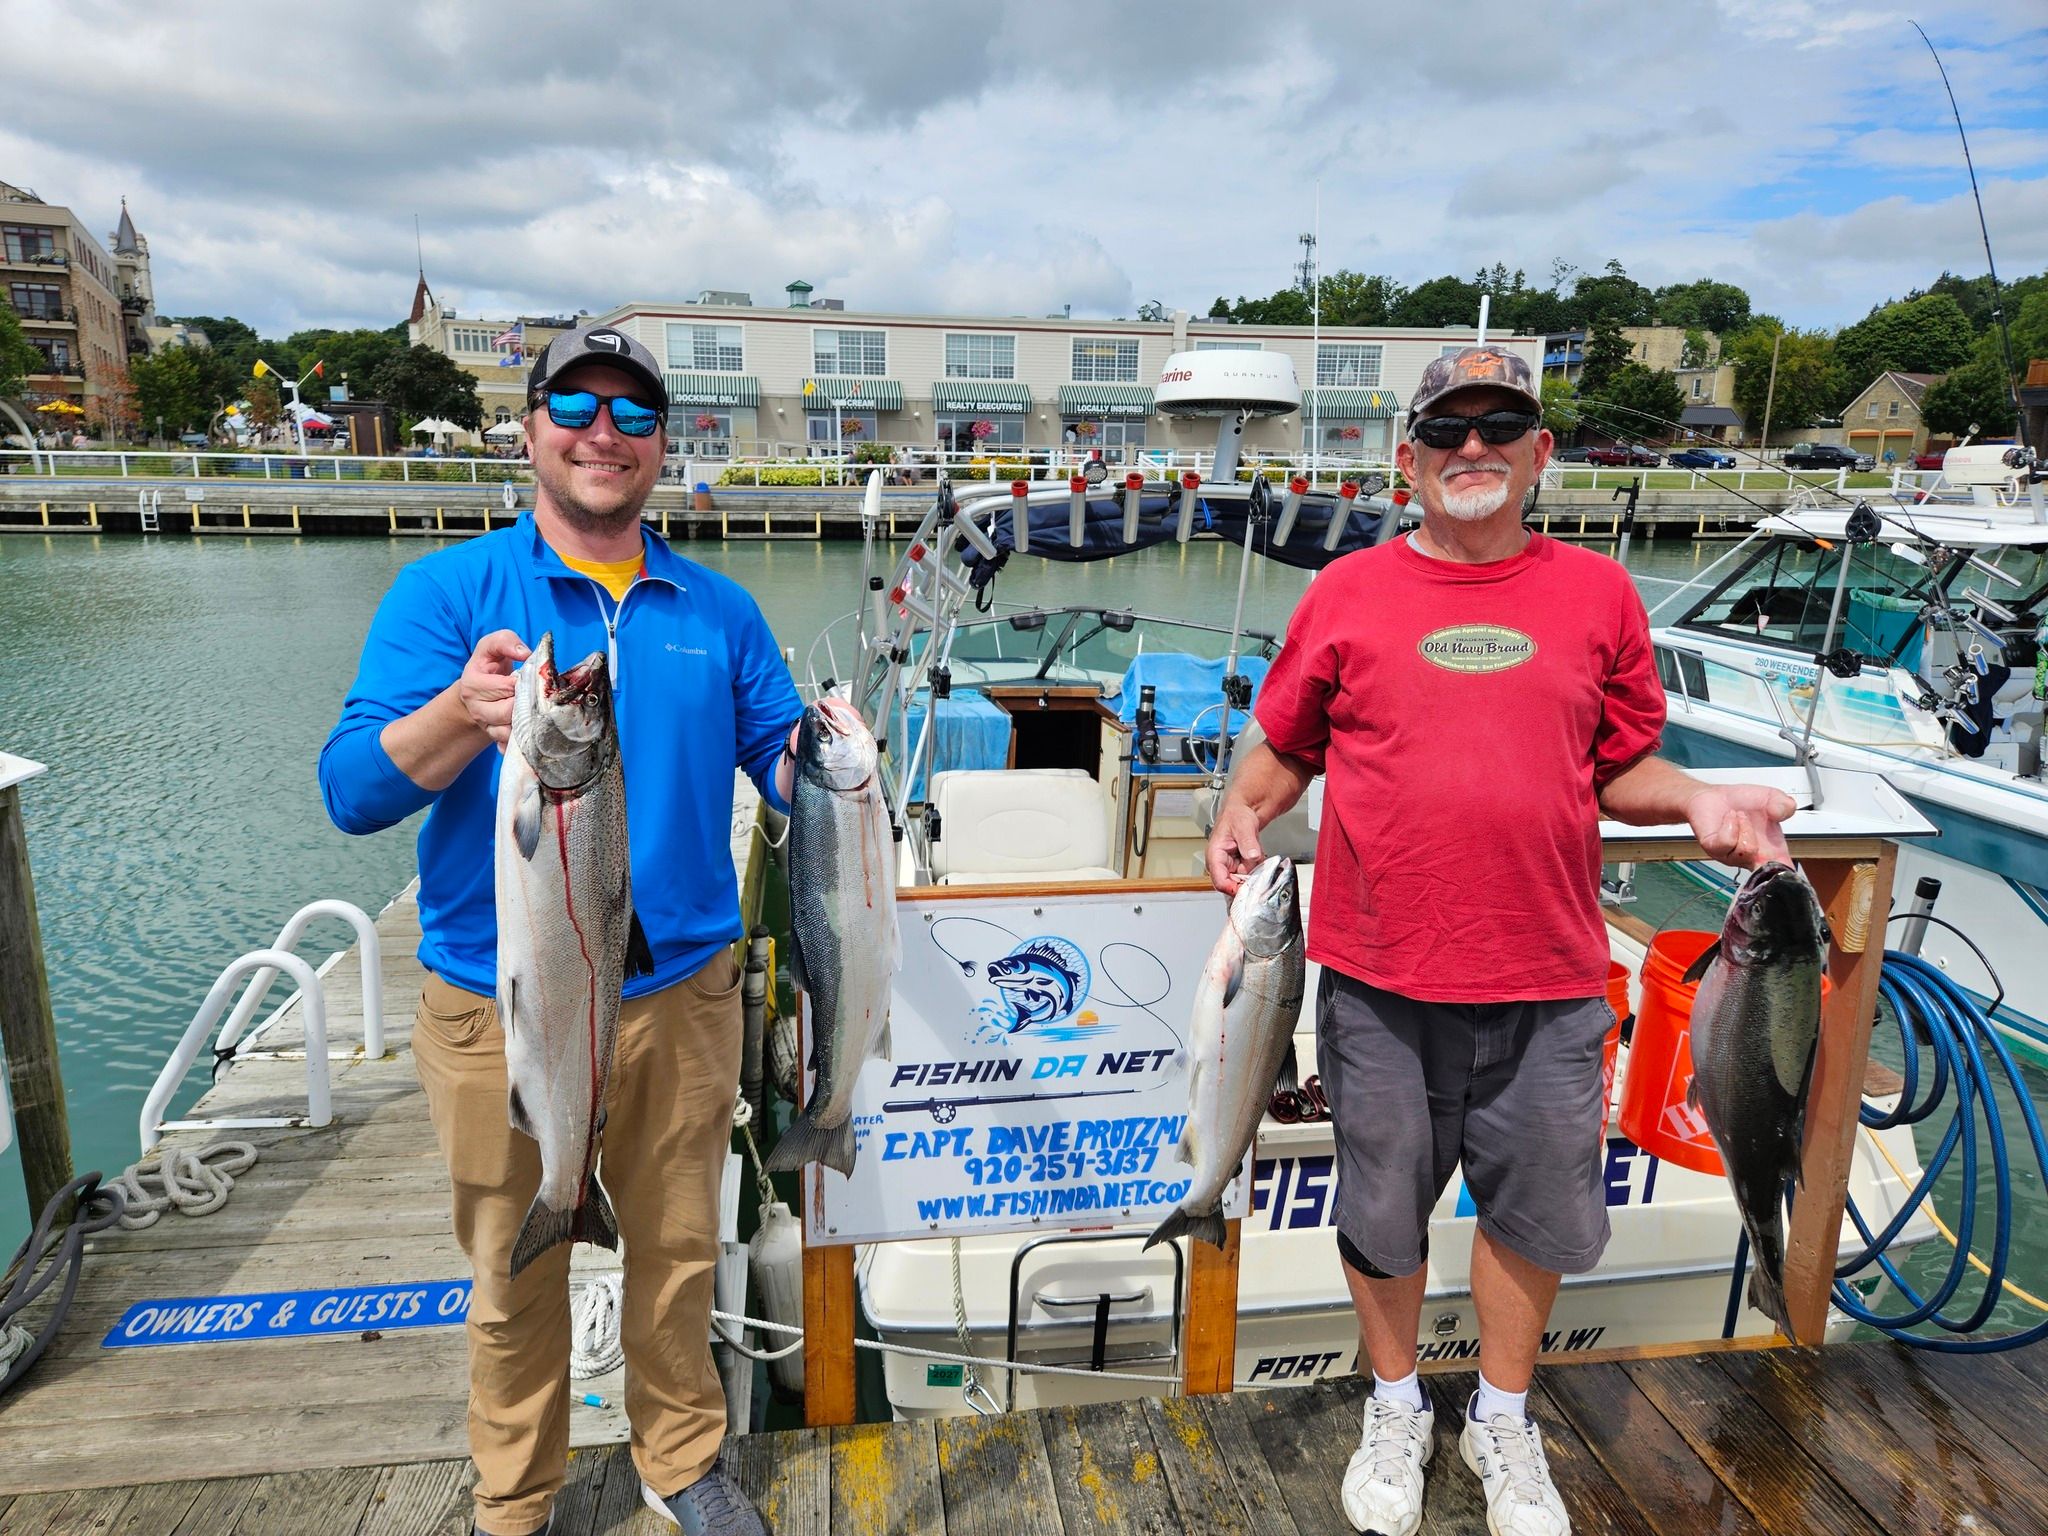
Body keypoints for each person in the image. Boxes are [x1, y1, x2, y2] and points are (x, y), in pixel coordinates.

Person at [1205, 346, 1795, 1536]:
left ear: (1538, 453)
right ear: (1406, 460)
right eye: (1448, 430)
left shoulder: (1598, 596)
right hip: (1377, 976)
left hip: (1551, 975)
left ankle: (1503, 1419)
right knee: (1378, 1214)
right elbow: (1287, 740)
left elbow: (1621, 765)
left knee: (1535, 1219)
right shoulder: (1346, 595)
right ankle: (1392, 1404)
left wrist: (1695, 802)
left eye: (1499, 428)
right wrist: (1238, 805)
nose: (1472, 449)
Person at [320, 323, 798, 1536]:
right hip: (502, 1001)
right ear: (528, 430)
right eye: (576, 409)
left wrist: (834, 769)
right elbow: (353, 791)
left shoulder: (719, 608)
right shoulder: (448, 593)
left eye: (633, 416)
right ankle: (514, 1495)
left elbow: (779, 757)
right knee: (512, 1271)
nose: (604, 435)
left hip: (680, 997)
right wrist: (460, 712)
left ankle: (679, 1460)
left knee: (680, 1256)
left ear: (660, 444)